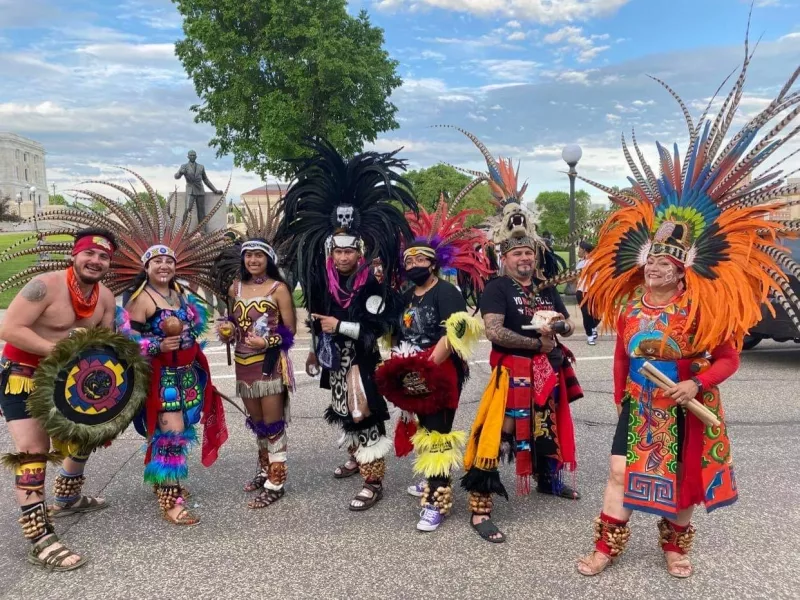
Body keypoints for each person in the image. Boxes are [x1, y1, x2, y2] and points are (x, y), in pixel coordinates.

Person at [575, 45, 800, 577]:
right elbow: (622, 361)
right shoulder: (629, 305)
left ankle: (676, 546)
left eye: (666, 263)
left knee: (685, 482)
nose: (656, 266)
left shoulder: (702, 307)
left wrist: (696, 386)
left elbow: (728, 358)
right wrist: (623, 397)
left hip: (687, 400)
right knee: (616, 472)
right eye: (652, 258)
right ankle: (606, 546)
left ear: (683, 270)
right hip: (641, 402)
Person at [443, 129, 584, 544]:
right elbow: (494, 331)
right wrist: (536, 343)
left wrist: (558, 329)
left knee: (549, 427)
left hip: (549, 370)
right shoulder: (496, 288)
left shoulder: (545, 286)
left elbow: (568, 323)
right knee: (497, 434)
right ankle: (480, 507)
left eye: (529, 253)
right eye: (516, 253)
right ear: (503, 257)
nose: (524, 258)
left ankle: (548, 480)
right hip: (513, 373)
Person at [275, 138, 416, 512]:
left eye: (348, 251)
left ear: (360, 252)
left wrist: (340, 325)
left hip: (361, 362)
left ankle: (375, 481)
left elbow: (373, 331)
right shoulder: (323, 282)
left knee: (364, 414)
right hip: (335, 361)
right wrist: (312, 349)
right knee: (343, 412)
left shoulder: (371, 284)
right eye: (337, 251)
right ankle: (358, 459)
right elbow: (319, 322)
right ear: (329, 251)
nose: (342, 257)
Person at [0, 228, 118, 571]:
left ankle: (67, 496)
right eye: (89, 254)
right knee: (33, 453)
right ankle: (40, 539)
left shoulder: (106, 298)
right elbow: (9, 329)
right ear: (74, 255)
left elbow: (105, 343)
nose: (95, 261)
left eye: (103, 256)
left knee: (89, 434)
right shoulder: (45, 285)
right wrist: (61, 347)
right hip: (26, 377)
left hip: (70, 381)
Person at [375, 192, 491, 531]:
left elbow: (454, 332)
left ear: (434, 263)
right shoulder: (407, 296)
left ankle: (436, 501)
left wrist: (425, 367)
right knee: (423, 430)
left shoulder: (447, 292)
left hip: (439, 374)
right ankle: (430, 476)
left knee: (438, 435)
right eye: (408, 263)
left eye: (420, 261)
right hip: (412, 372)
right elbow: (395, 333)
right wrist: (397, 364)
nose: (413, 267)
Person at [214, 201, 296, 508]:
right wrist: (227, 331)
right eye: (248, 255)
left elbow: (289, 331)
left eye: (258, 255)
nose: (253, 260)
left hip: (270, 364)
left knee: (273, 423)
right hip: (243, 364)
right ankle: (264, 470)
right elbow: (234, 325)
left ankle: (277, 480)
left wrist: (268, 343)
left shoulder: (278, 289)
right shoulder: (235, 288)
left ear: (268, 259)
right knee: (258, 421)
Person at [575, 240, 600, 345]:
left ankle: (593, 327)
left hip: (593, 292)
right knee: (586, 314)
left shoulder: (596, 262)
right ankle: (590, 336)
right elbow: (577, 278)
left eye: (579, 249)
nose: (578, 251)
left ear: (584, 250)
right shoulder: (580, 263)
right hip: (581, 292)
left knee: (597, 315)